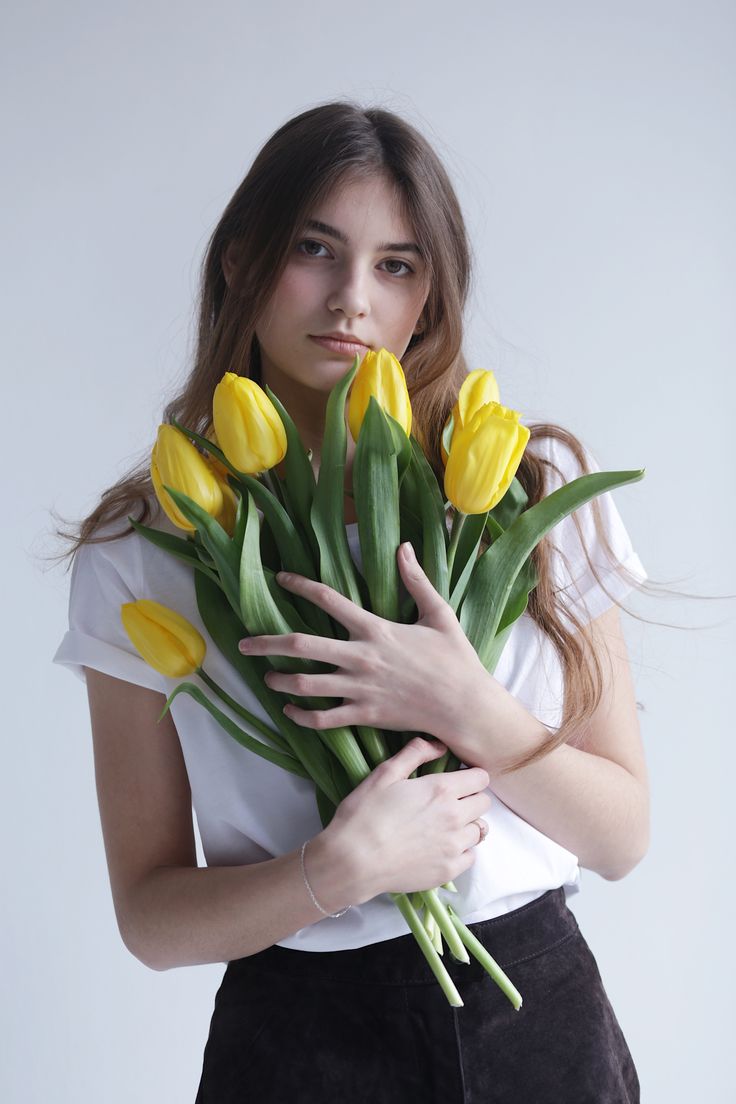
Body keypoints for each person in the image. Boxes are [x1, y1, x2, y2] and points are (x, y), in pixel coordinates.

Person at [53, 101, 650, 1102]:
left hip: (533, 1021)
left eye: (395, 265)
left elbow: (622, 837)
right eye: (314, 249)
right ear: (242, 259)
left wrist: (474, 713)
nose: (349, 301)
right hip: (296, 1036)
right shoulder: (144, 549)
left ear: (431, 295)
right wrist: (333, 870)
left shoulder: (525, 488)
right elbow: (150, 920)